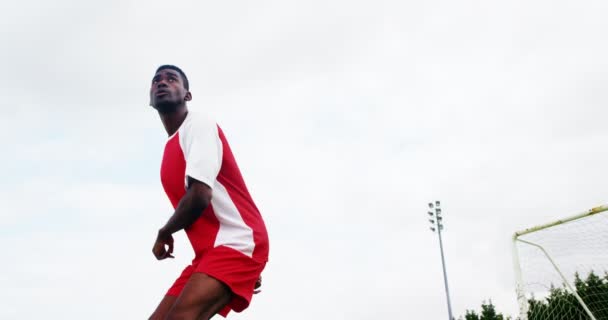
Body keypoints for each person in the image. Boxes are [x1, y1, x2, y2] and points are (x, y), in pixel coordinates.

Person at [147, 65, 269, 320]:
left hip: (238, 241)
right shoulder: (171, 148)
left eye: (171, 79)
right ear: (150, 98)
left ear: (187, 95)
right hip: (209, 253)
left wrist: (165, 232)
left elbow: (200, 195)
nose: (162, 82)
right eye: (156, 80)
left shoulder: (198, 125)